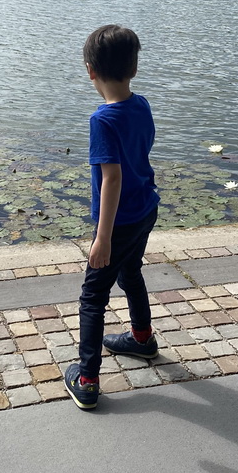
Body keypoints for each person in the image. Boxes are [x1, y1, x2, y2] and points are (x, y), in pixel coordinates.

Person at [64, 24, 160, 410]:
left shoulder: (102, 121)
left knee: (93, 296)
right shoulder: (142, 105)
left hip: (118, 222)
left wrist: (102, 238)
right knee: (130, 272)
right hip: (145, 210)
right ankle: (141, 338)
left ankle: (87, 379)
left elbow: (112, 178)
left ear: (90, 70)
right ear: (133, 68)